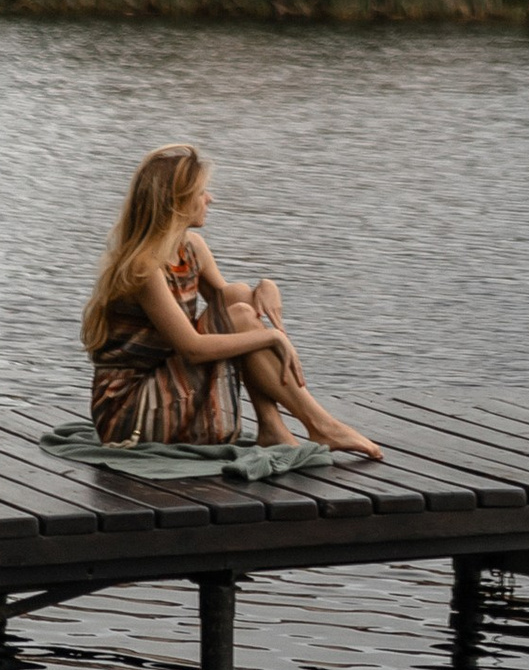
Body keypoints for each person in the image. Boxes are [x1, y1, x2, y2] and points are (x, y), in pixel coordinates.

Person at [81, 145, 381, 459]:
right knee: (240, 317)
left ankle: (272, 426)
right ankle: (320, 424)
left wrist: (266, 285)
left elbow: (236, 304)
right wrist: (273, 336)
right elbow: (193, 349)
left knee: (238, 297)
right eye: (201, 192)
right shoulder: (145, 269)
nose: (210, 199)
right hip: (128, 414)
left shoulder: (191, 248)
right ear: (177, 202)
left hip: (165, 387)